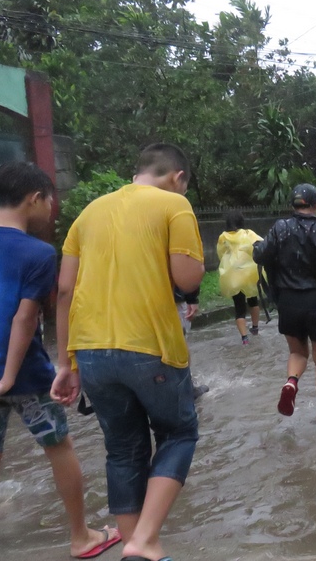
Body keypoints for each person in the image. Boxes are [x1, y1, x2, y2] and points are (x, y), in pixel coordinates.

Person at [0, 162, 121, 561]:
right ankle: (81, 537)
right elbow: (23, 319)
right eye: (49, 201)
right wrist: (5, 380)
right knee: (59, 448)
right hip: (27, 377)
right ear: (34, 198)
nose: (51, 209)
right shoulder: (38, 252)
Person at [53, 143, 204, 561]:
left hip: (91, 351)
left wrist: (66, 363)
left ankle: (133, 545)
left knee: (122, 449)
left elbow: (64, 291)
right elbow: (188, 278)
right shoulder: (174, 206)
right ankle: (144, 540)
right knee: (178, 433)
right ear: (177, 177)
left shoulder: (87, 214)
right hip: (150, 344)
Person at [253, 183, 316, 421]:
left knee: (297, 352)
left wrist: (257, 246)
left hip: (288, 303)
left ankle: (291, 382)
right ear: (315, 205)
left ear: (293, 205)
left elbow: (260, 254)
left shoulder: (280, 228)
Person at [217, 210, 262, 344]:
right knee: (253, 300)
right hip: (249, 273)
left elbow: (220, 254)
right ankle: (255, 328)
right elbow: (261, 245)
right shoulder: (248, 233)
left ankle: (244, 338)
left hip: (232, 275)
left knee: (239, 306)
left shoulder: (223, 237)